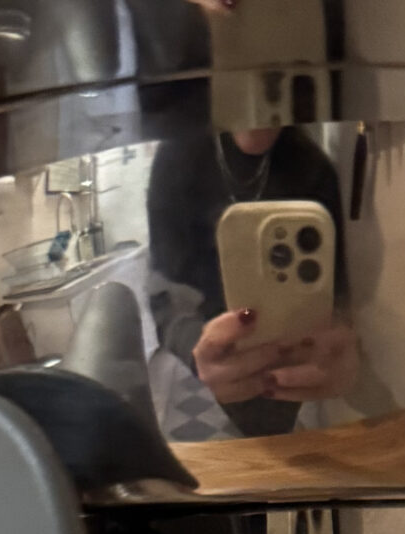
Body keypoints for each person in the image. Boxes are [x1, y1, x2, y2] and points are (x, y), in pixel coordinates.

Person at [146, 122, 359, 436]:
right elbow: (165, 282)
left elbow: (336, 286)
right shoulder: (179, 155)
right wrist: (195, 345)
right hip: (216, 344)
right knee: (252, 430)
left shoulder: (313, 168)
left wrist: (341, 339)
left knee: (272, 436)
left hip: (290, 346)